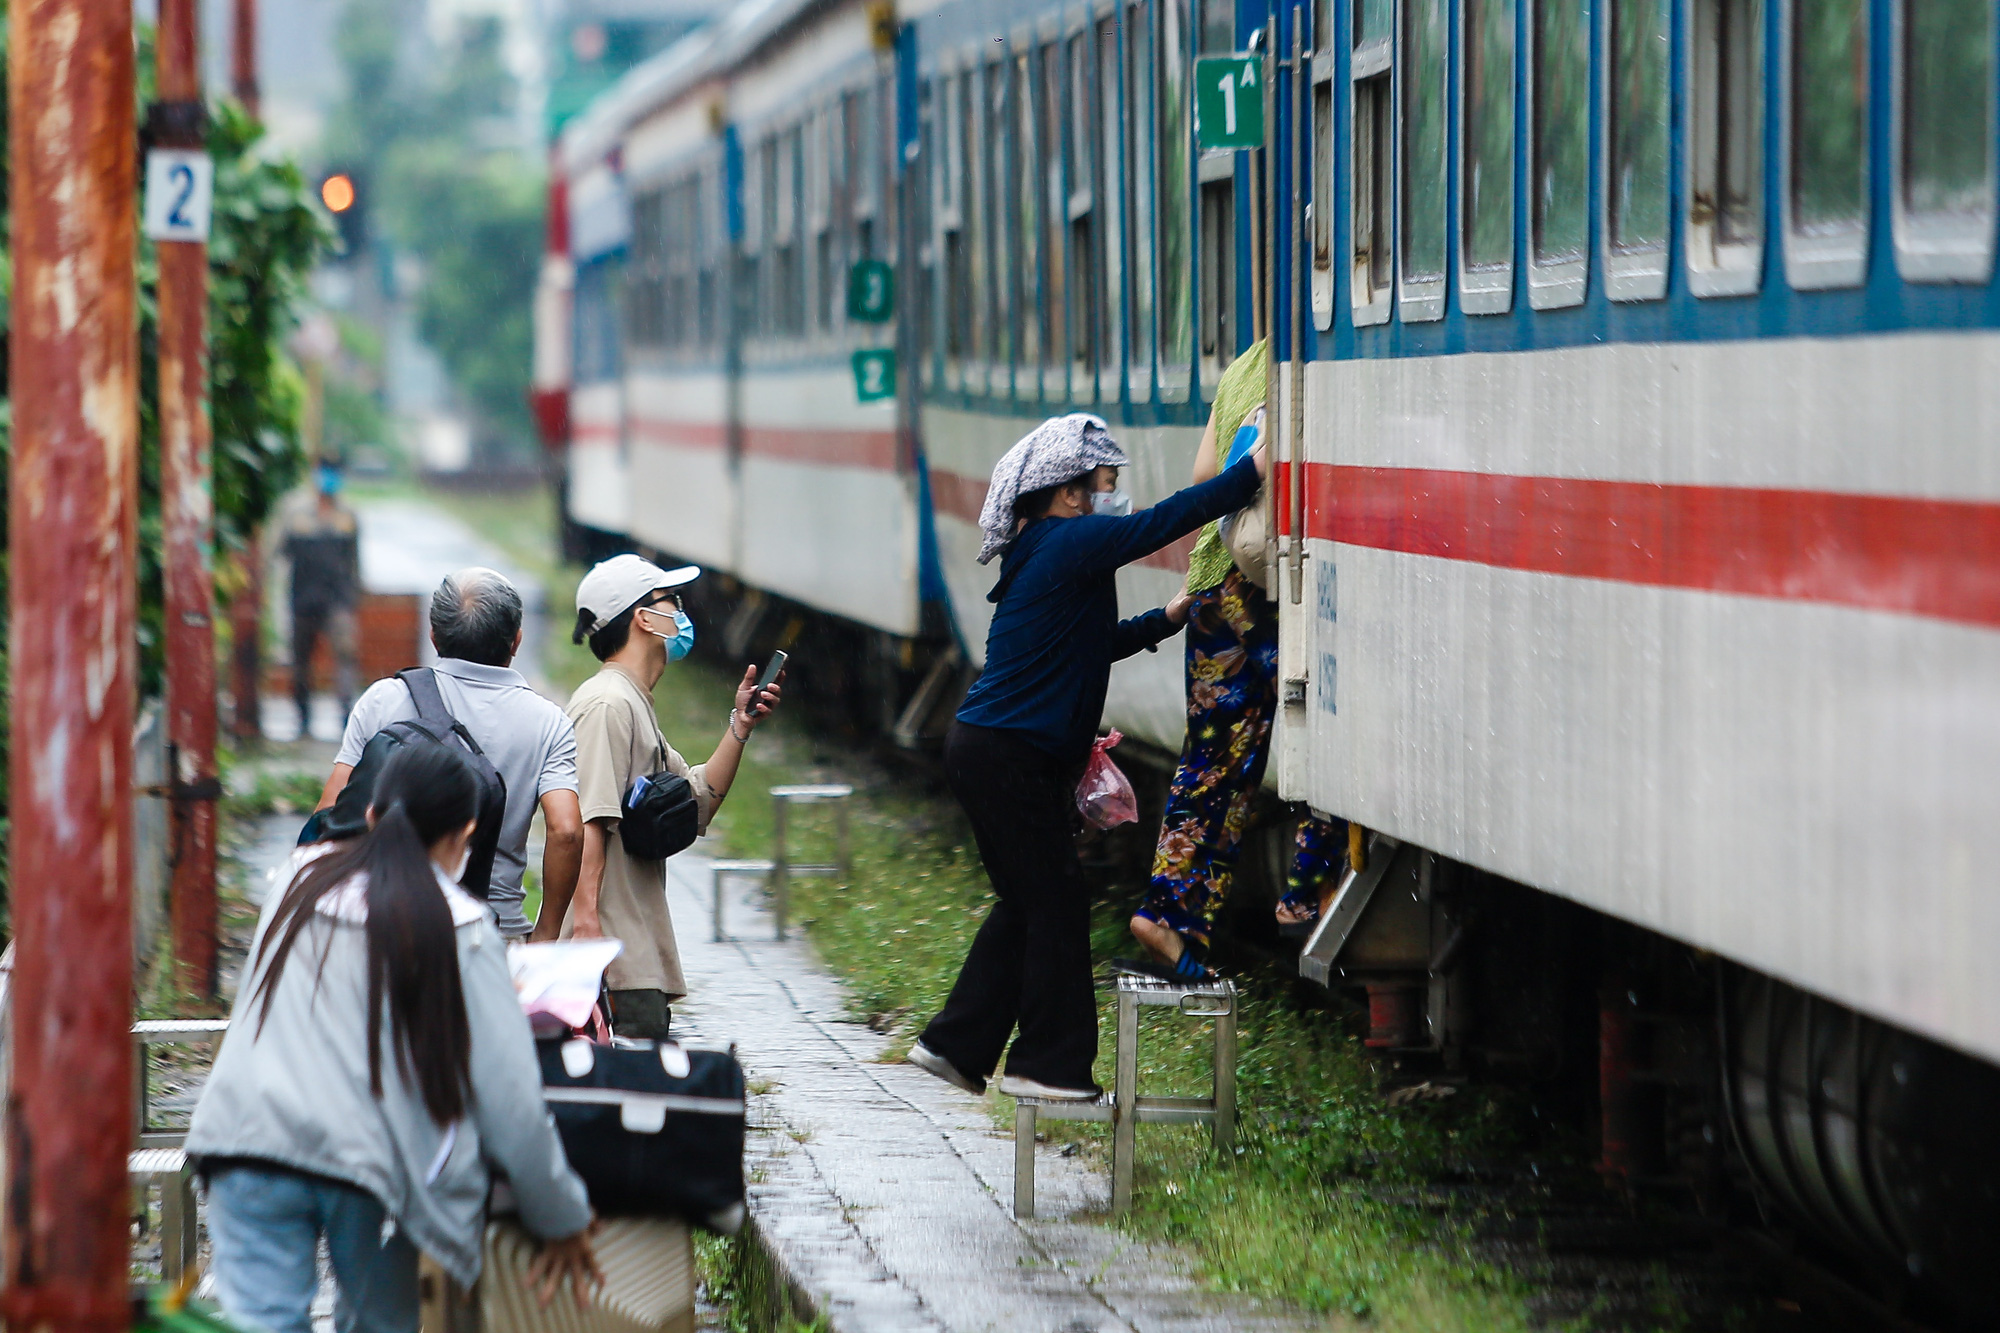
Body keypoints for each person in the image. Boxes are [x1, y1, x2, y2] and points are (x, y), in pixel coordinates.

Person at [906, 412, 1267, 1103]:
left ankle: (954, 1045)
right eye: (1105, 482)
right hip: (1007, 756)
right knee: (1057, 902)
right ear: (1069, 492)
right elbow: (1167, 519)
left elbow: (1086, 645)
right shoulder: (1072, 539)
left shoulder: (1046, 548)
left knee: (1029, 902)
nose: (1114, 494)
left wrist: (1163, 620)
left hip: (994, 752)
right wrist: (1249, 474)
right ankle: (1048, 1065)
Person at [186, 744, 601, 1333]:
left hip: (247, 1140)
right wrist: (561, 1215)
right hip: (370, 1168)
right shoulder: (461, 926)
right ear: (467, 833)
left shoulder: (297, 878)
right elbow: (512, 1102)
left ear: (372, 814)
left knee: (260, 1323)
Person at [1126, 342, 1348, 981]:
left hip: (1214, 579)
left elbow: (1205, 474)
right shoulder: (1324, 354)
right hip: (1272, 585)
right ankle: (1306, 890)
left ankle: (1168, 914)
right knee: (1327, 720)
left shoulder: (1244, 367)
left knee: (1212, 760)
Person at [538, 554, 784, 1039]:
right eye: (671, 600)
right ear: (644, 619)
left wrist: (740, 727)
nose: (682, 612)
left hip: (633, 953)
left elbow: (697, 800)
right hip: (612, 958)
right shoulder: (607, 704)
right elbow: (589, 820)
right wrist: (586, 930)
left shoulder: (631, 701)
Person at [314, 568, 584, 945]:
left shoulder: (384, 699)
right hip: (491, 930)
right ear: (516, 641)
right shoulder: (548, 722)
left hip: (386, 920)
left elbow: (331, 811)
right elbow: (566, 831)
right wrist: (547, 931)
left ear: (434, 636)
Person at [281, 461, 362, 731]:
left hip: (337, 598)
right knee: (301, 660)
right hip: (303, 597)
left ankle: (346, 715)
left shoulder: (348, 514)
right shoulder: (295, 512)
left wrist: (354, 596)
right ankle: (302, 716)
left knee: (345, 654)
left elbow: (354, 560)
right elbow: (281, 552)